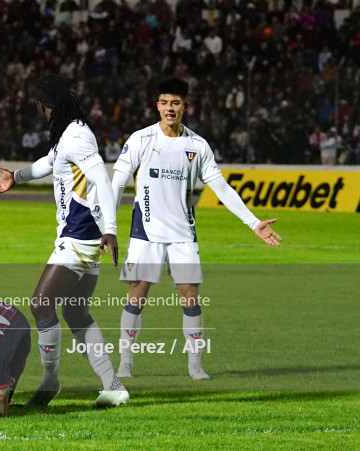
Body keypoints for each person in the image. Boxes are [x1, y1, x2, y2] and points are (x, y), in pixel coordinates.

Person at [111, 77, 282, 380]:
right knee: (137, 294)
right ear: (157, 105)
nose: (169, 108)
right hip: (145, 231)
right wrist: (108, 227)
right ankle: (126, 362)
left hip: (183, 234)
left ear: (185, 106)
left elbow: (222, 189)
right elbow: (118, 180)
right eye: (164, 102)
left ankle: (195, 365)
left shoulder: (197, 145)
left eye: (175, 102)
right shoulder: (140, 139)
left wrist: (253, 222)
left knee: (190, 296)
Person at [0, 74, 128, 408]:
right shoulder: (69, 133)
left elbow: (101, 179)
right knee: (77, 313)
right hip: (82, 234)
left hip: (80, 235)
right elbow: (48, 163)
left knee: (40, 304)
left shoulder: (76, 136)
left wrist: (110, 229)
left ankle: (50, 382)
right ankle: (113, 386)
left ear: (41, 105)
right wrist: (17, 177)